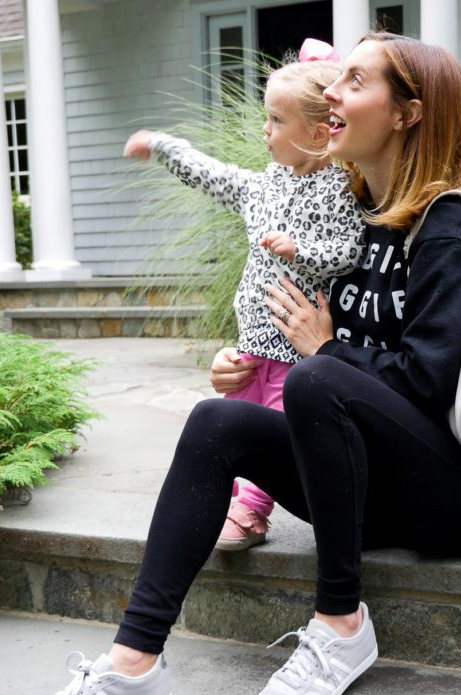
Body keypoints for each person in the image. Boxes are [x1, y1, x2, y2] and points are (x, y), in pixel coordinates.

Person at [4, 32, 461, 695]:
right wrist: (253, 359)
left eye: (354, 81)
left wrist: (323, 350)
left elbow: (428, 382)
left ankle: (341, 623)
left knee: (317, 374)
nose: (333, 91)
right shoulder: (354, 211)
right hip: (378, 487)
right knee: (216, 419)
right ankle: (133, 665)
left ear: (407, 113)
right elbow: (326, 348)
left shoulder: (445, 223)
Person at [123, 40, 365, 553]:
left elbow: (348, 253)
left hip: (297, 340)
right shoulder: (266, 184)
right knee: (233, 422)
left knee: (274, 427)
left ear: (320, 135)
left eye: (276, 120)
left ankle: (252, 512)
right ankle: (229, 504)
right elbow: (216, 177)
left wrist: (301, 251)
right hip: (253, 336)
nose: (265, 130)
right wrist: (165, 147)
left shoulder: (340, 189)